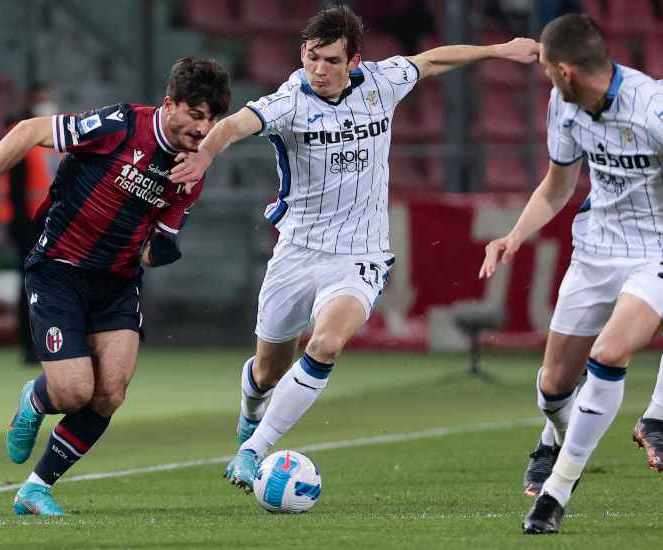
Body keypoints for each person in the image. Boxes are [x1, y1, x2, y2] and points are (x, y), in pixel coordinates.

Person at [168, 5, 539, 491]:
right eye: (313, 58)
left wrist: (497, 50)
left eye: (332, 61)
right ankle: (251, 412)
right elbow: (236, 124)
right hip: (297, 253)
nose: (319, 70)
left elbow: (433, 61)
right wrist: (205, 154)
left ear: (354, 62)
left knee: (326, 344)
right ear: (303, 52)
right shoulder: (289, 102)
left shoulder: (382, 83)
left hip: (359, 256)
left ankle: (252, 450)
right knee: (266, 370)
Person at [0, 57, 231, 515]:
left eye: (212, 119)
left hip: (117, 283)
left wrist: (164, 248)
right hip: (59, 270)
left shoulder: (192, 171)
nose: (203, 128)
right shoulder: (121, 125)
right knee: (72, 393)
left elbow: (155, 247)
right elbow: (29, 131)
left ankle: (34, 489)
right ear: (170, 104)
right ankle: (35, 398)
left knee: (110, 391)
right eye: (196, 114)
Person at [478, 14, 663, 534]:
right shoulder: (564, 105)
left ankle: (557, 491)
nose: (544, 80)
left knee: (609, 354)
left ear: (566, 70)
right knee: (554, 386)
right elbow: (558, 188)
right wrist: (515, 235)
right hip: (595, 250)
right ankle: (555, 434)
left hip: (655, 251)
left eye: (545, 70)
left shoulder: (652, 108)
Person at [0, 83, 60, 364]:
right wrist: (20, 225)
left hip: (51, 220)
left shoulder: (51, 137)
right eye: (43, 99)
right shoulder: (21, 135)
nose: (48, 104)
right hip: (28, 223)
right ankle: (31, 345)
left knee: (51, 285)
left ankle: (51, 342)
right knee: (32, 285)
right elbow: (16, 186)